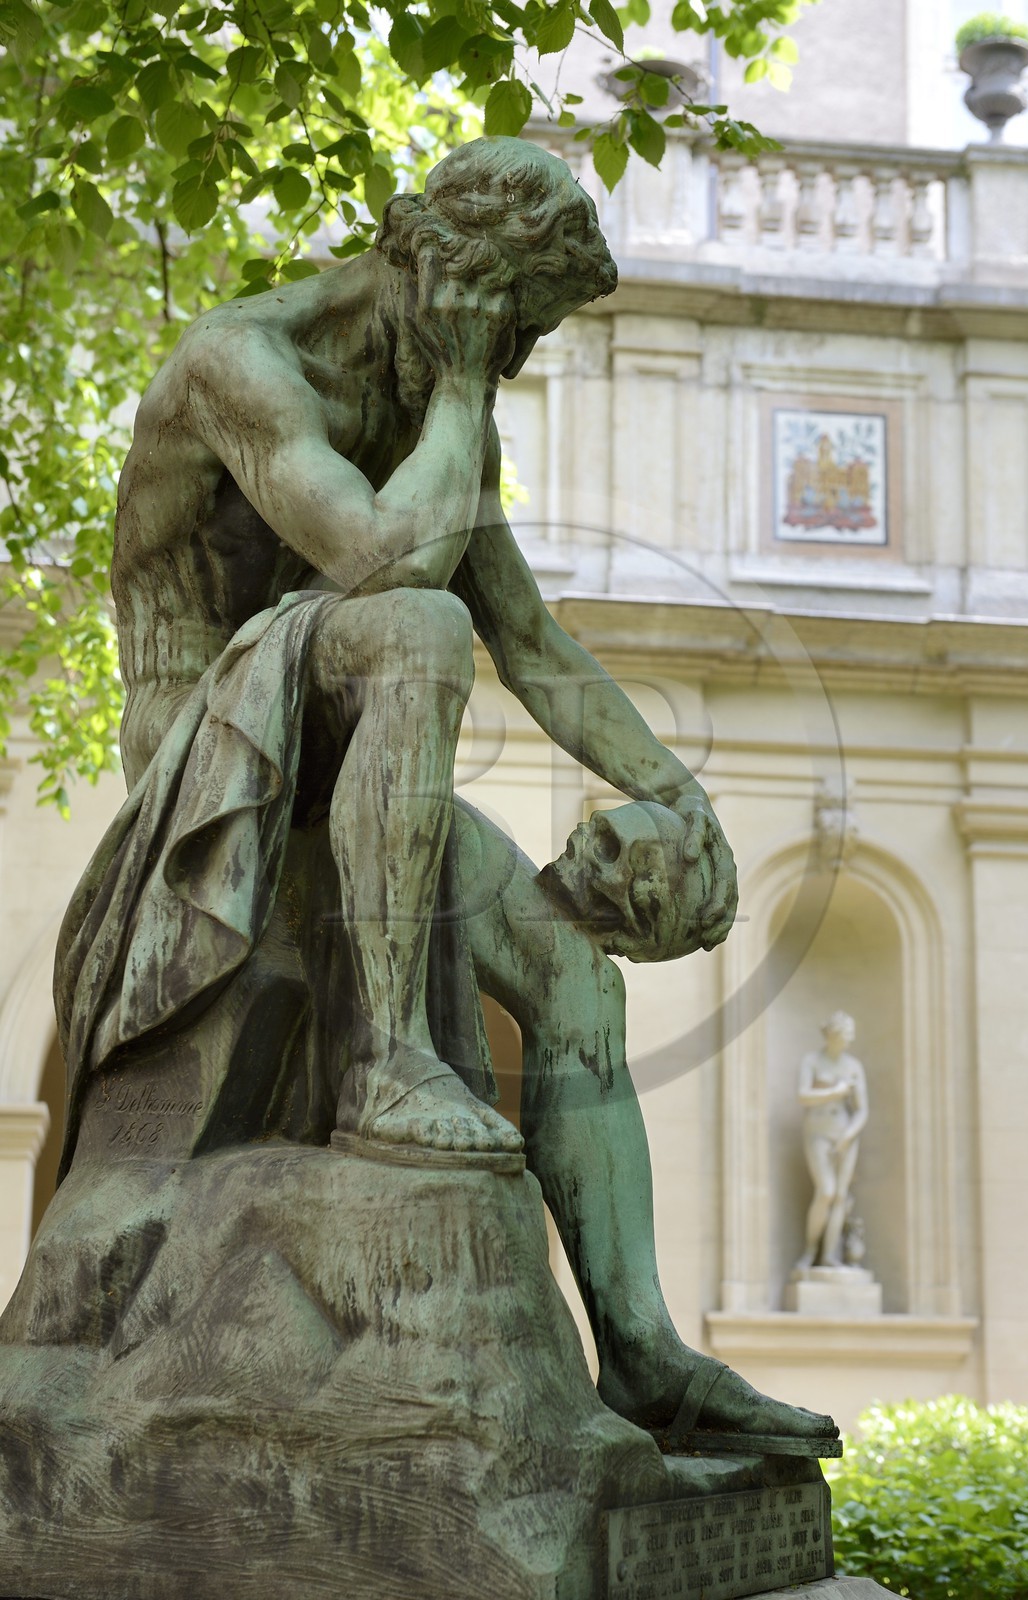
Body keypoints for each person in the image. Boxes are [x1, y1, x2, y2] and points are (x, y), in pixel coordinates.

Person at [54, 135, 834, 1444]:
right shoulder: (242, 364)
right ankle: (388, 1066)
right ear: (447, 271)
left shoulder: (434, 415)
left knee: (569, 971)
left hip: (340, 725)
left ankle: (637, 1352)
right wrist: (466, 384)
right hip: (205, 735)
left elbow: (529, 641)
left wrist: (676, 794)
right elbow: (369, 561)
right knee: (414, 624)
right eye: (512, 325)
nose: (516, 360)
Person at [796, 1011, 869, 1270]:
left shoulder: (853, 1066)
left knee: (840, 1195)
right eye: (847, 1032)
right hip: (818, 1129)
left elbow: (862, 1109)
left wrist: (848, 1135)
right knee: (825, 1191)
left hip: (844, 1133)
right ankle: (810, 1250)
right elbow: (803, 1096)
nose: (851, 1037)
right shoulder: (812, 1061)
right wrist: (833, 1092)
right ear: (834, 1034)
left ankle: (830, 1255)